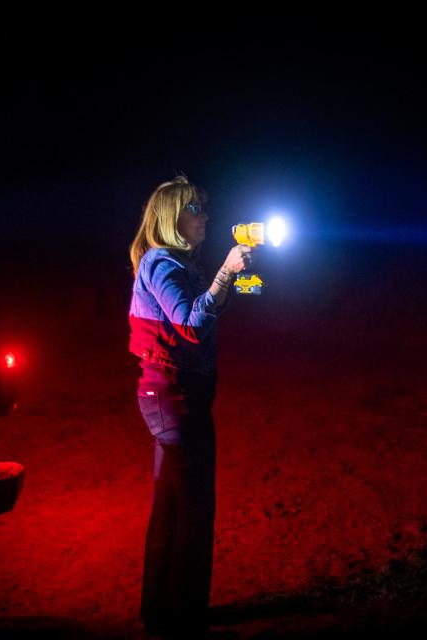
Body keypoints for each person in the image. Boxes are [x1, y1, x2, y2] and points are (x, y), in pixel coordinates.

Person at [128, 175, 252, 638]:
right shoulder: (163, 265)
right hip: (173, 396)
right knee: (195, 507)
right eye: (197, 209)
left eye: (204, 207)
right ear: (173, 217)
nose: (206, 217)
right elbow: (191, 324)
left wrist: (240, 281)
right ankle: (185, 616)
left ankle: (160, 611)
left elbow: (210, 310)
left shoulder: (179, 264)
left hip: (176, 395)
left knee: (172, 505)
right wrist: (225, 272)